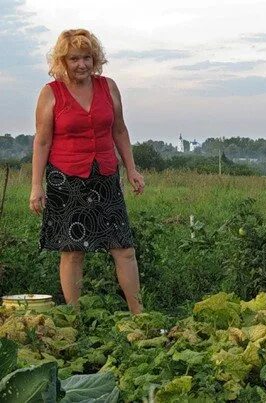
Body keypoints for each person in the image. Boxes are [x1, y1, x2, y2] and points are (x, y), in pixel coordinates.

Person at [29, 29, 144, 314]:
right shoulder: (51, 93)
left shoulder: (109, 87)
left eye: (87, 58)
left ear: (96, 60)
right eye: (74, 59)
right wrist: (36, 186)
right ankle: (75, 318)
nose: (81, 64)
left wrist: (131, 169)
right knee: (72, 251)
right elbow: (42, 141)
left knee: (124, 249)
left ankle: (139, 316)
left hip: (105, 176)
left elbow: (119, 130)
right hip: (65, 179)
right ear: (63, 61)